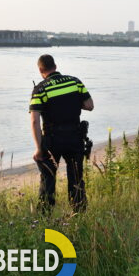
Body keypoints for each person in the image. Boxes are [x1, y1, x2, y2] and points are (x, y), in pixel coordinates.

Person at [29, 54, 94, 213]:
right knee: (76, 178)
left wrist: (38, 148)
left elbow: (35, 121)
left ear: (40, 70)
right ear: (55, 66)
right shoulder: (75, 81)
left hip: (52, 140)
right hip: (75, 137)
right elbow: (89, 105)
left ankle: (44, 218)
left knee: (48, 180)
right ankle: (79, 216)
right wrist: (70, 104)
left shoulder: (40, 89)